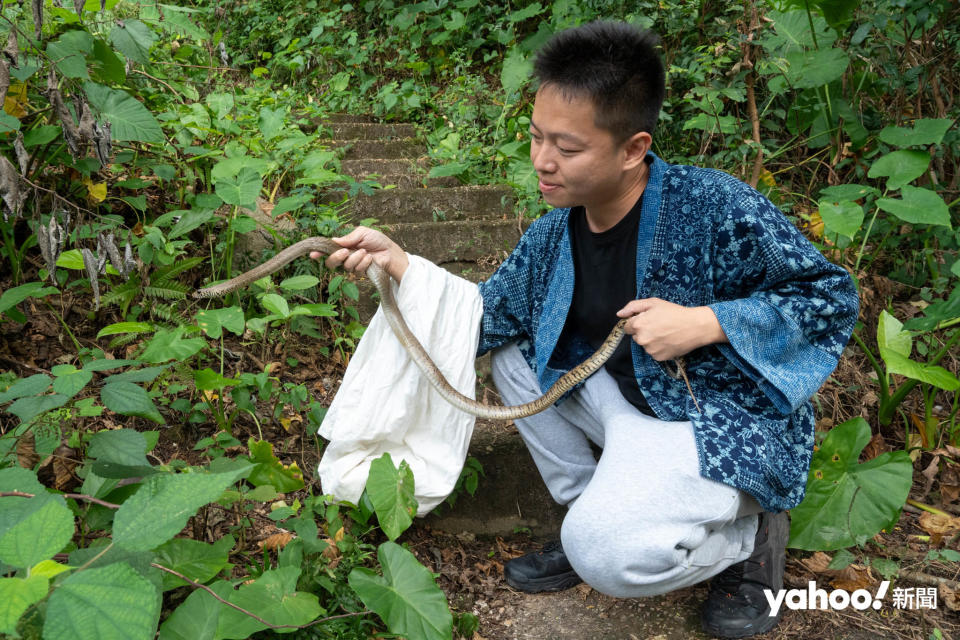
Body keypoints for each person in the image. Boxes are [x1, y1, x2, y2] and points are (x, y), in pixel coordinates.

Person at [315, 21, 859, 639]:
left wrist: (706, 323)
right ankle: (581, 506)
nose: (542, 162)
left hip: (708, 422)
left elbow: (830, 297)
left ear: (633, 148)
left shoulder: (714, 206)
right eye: (536, 138)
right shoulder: (553, 233)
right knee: (515, 354)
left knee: (609, 558)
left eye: (567, 149)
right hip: (614, 408)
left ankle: (749, 538)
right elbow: (484, 316)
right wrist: (401, 264)